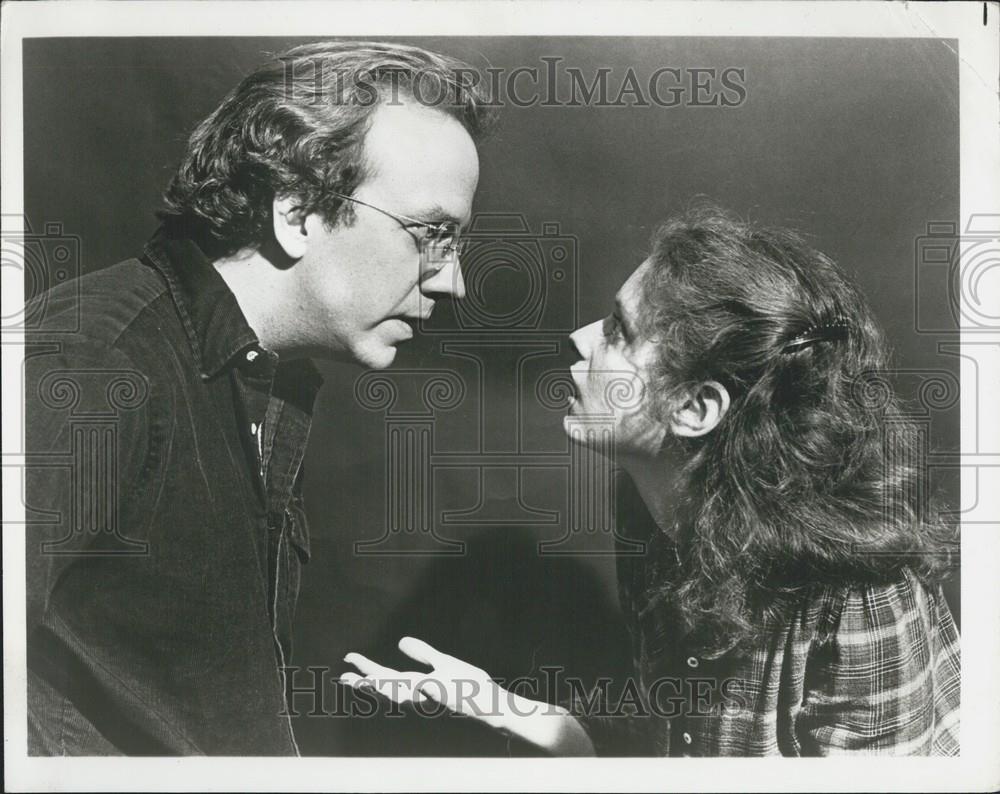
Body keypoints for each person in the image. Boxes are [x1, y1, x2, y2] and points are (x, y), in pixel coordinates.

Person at [341, 206, 961, 756]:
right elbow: (675, 755)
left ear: (694, 409)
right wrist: (508, 709)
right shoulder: (654, 506)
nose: (578, 339)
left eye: (618, 332)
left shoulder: (856, 591)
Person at [25, 40, 492, 755]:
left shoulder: (265, 385)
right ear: (297, 211)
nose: (450, 280)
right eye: (432, 234)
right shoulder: (95, 363)